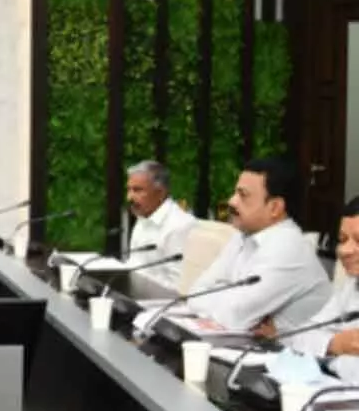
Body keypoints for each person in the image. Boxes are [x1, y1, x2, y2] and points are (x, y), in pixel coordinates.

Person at [187, 157, 331, 331]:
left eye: (243, 195)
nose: (232, 201)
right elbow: (196, 293)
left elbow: (233, 316)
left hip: (296, 355)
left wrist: (226, 300)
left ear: (275, 208)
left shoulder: (288, 247)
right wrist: (234, 306)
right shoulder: (244, 234)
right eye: (235, 193)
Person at [255, 196, 359, 383]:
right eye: (342, 240)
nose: (345, 250)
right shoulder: (352, 284)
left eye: (358, 241)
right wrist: (337, 344)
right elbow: (302, 336)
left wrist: (332, 357)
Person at [124, 160, 196, 288]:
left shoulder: (179, 226)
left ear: (160, 193)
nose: (129, 197)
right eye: (129, 190)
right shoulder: (144, 218)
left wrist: (137, 281)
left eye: (137, 190)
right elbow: (134, 265)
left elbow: (179, 286)